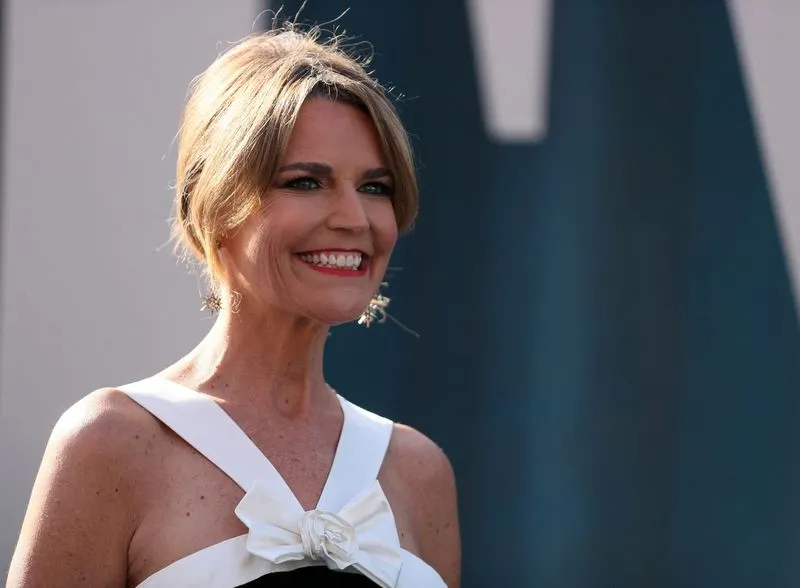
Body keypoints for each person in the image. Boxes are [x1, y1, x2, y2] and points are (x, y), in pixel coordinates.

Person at [7, 25, 460, 588]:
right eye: (305, 182)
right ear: (215, 205)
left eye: (375, 187)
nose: (353, 218)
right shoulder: (111, 443)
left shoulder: (418, 471)